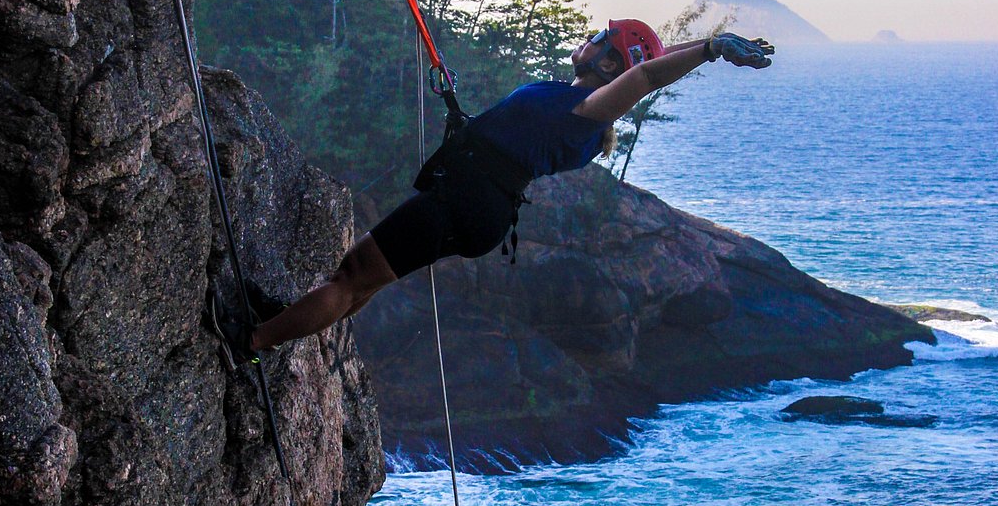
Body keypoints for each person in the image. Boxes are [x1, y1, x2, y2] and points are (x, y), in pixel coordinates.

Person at [208, 22, 773, 368]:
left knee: (353, 273)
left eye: (598, 38)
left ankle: (251, 340)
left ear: (606, 62)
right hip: (480, 205)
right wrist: (699, 43)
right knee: (365, 277)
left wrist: (712, 49)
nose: (587, 38)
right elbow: (640, 64)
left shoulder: (588, 111)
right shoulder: (579, 104)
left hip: (468, 201)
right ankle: (273, 331)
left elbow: (644, 76)